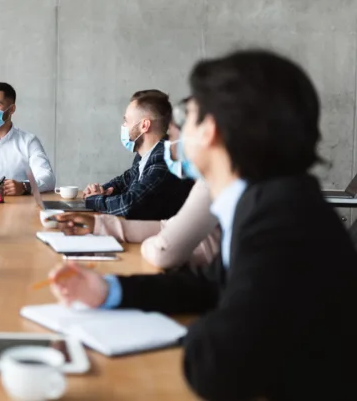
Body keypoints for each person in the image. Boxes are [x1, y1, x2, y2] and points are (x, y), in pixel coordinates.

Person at [49, 50, 357, 400]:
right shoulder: (263, 200)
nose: (174, 134)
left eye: (186, 116)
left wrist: (188, 332)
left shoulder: (280, 221)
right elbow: (208, 286)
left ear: (210, 130)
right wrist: (108, 291)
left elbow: (215, 367)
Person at [53, 119, 219, 269]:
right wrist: (98, 224)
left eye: (175, 136)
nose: (169, 144)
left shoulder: (209, 186)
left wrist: (151, 243)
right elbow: (166, 227)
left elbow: (162, 251)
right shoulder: (206, 182)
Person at [83, 90, 191, 220]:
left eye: (126, 121)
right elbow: (124, 180)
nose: (123, 126)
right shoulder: (145, 154)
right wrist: (101, 190)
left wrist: (94, 200)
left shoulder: (165, 158)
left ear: (144, 125)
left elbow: (130, 206)